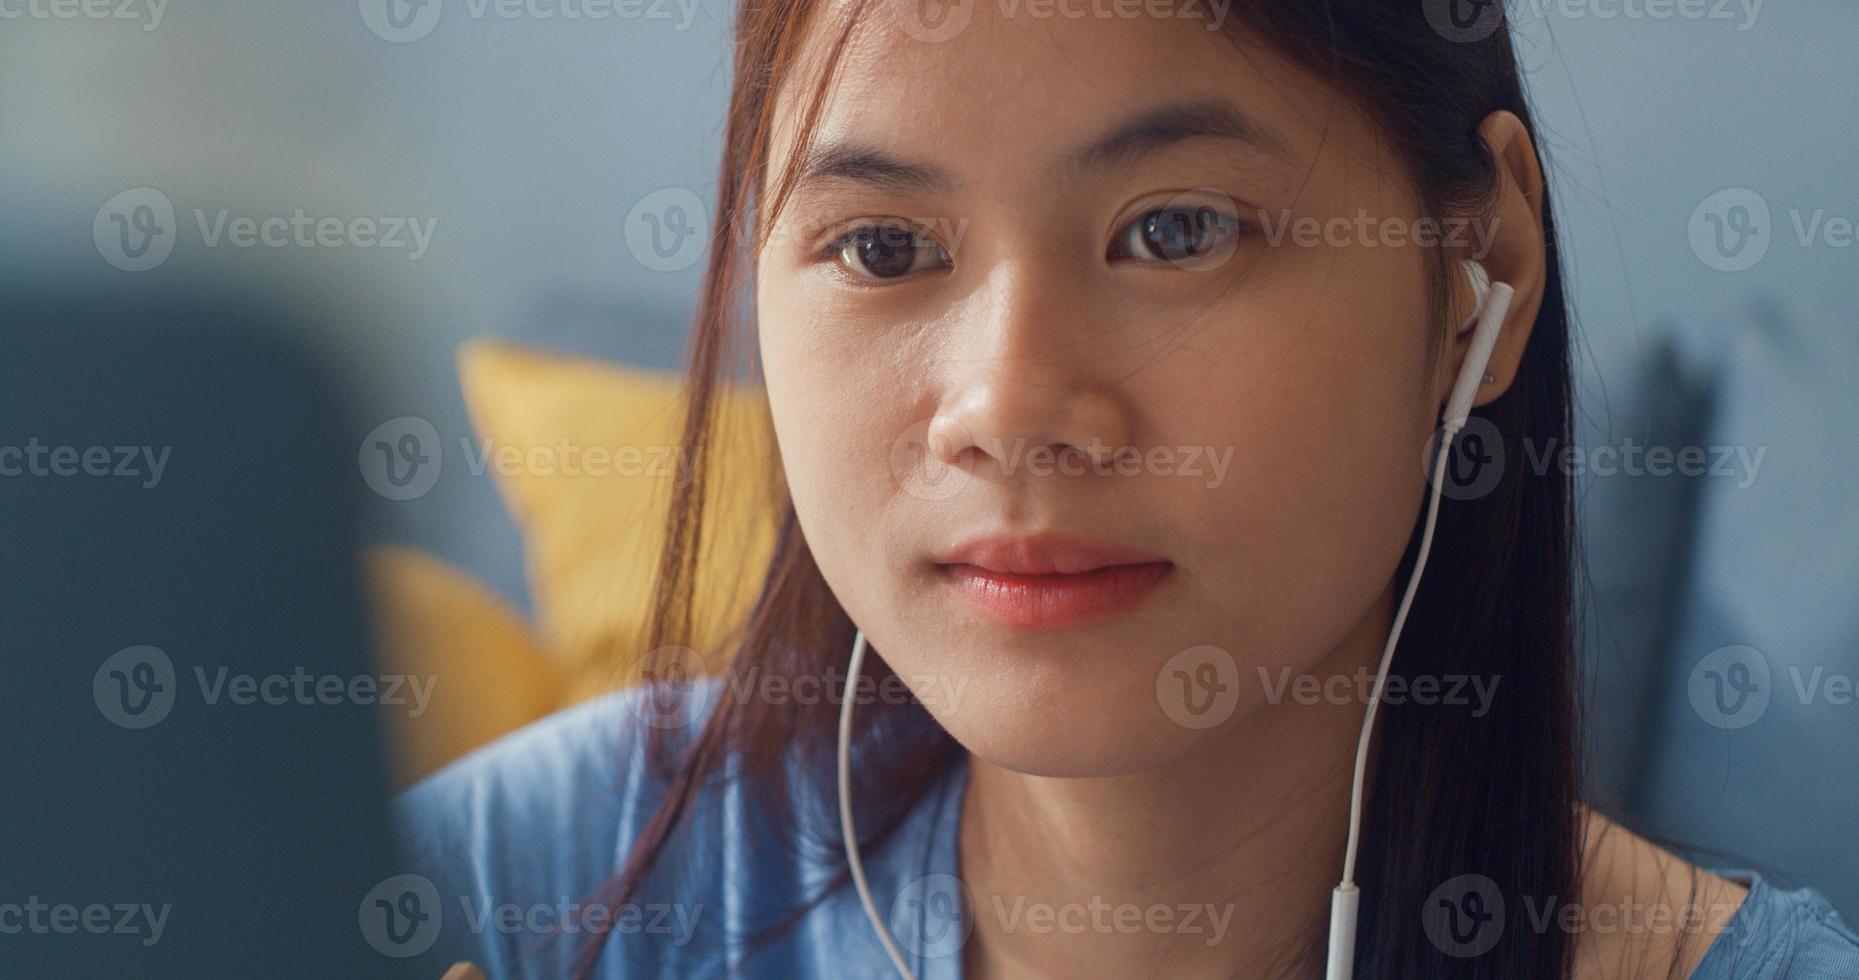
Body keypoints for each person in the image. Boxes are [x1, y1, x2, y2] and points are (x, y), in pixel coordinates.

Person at [397, 0, 1859, 976]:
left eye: (1175, 230)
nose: (1012, 411)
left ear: (1487, 275)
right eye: (886, 249)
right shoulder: (532, 885)